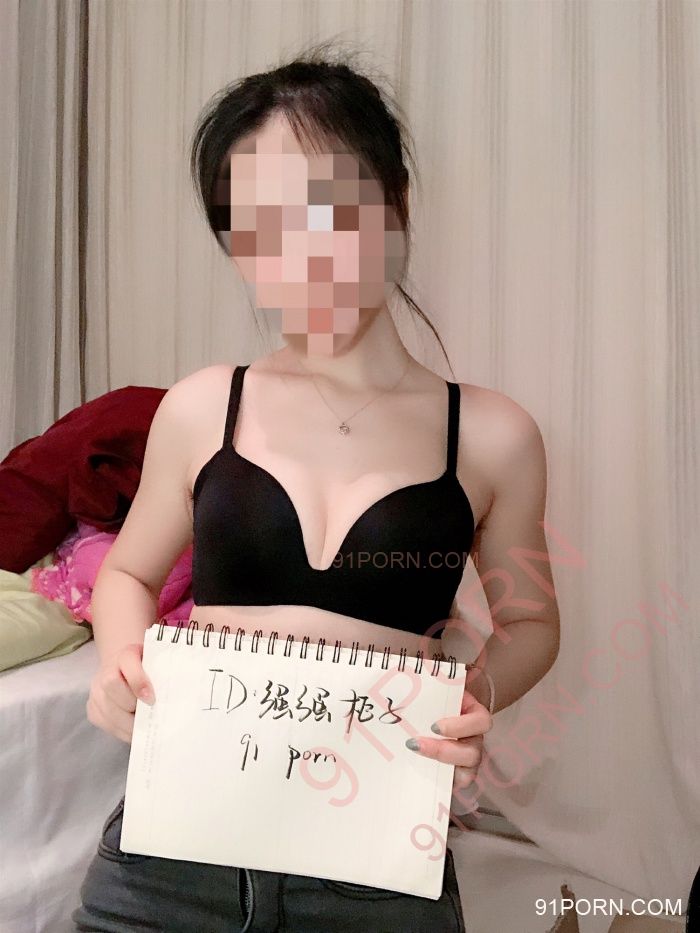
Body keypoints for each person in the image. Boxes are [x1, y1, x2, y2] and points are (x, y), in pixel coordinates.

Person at [73, 42, 560, 933]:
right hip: (173, 852)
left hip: (376, 859)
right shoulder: (201, 408)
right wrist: (119, 659)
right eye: (256, 227)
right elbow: (128, 574)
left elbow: (530, 621)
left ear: (394, 204)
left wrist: (469, 699)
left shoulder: (494, 436)